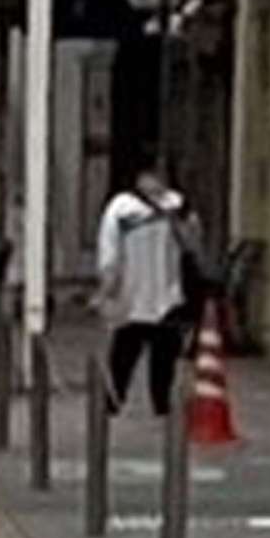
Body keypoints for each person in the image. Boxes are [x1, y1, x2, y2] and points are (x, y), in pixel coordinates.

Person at [96, 156, 198, 418]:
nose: (155, 181)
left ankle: (161, 404)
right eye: (150, 175)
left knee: (164, 358)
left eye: (160, 175)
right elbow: (109, 249)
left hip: (168, 296)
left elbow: (192, 244)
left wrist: (177, 221)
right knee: (123, 354)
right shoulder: (121, 207)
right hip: (132, 297)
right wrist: (108, 288)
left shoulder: (179, 204)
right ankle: (114, 400)